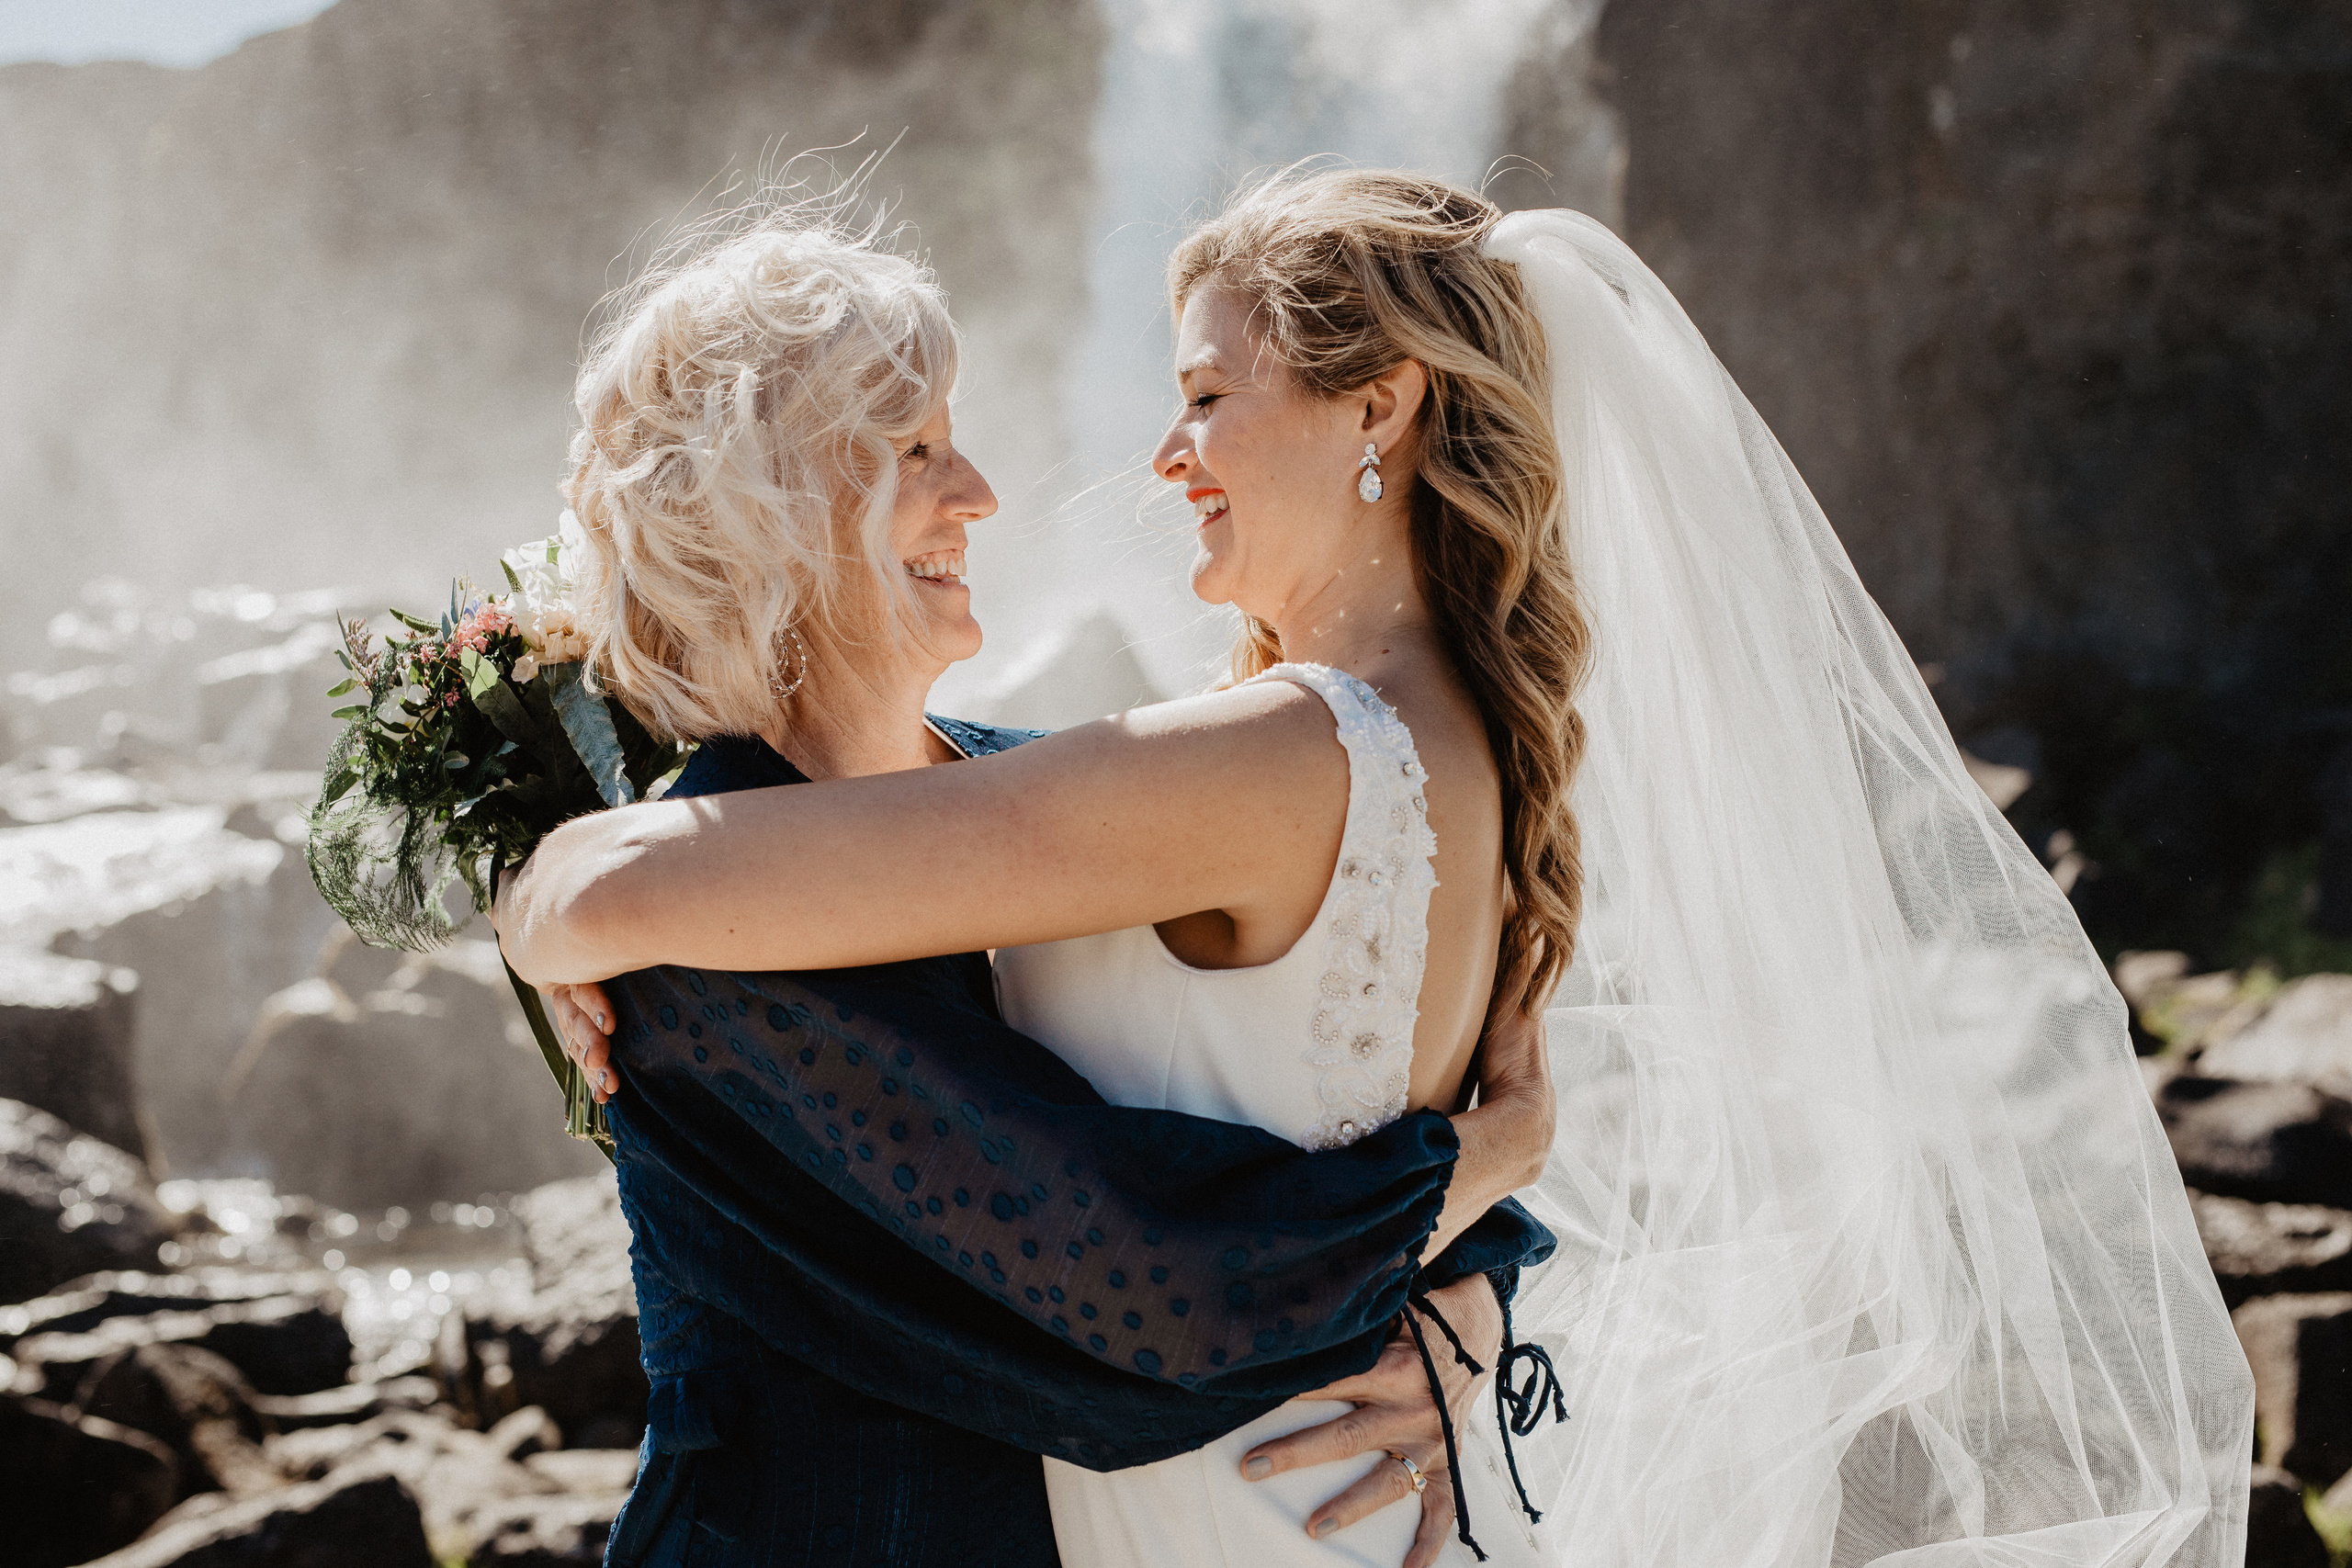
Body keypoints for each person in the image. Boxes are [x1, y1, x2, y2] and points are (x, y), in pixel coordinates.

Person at [508, 166, 2257, 1567]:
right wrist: (1476, 1217)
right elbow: (1204, 1191)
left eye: (1204, 396)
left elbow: (1157, 1231)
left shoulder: (1261, 760)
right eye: (914, 448)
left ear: (1382, 411)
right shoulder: (1375, 750)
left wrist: (542, 887)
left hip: (1219, 1515)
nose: (1147, 458)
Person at [502, 206, 1556, 1568]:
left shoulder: (1022, 794)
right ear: (779, 502)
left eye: (1206, 396)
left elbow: (1283, 1090)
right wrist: (1492, 1177)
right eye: (917, 449)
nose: (984, 493)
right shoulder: (713, 932)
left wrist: (1469, 1271)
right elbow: (1142, 1285)